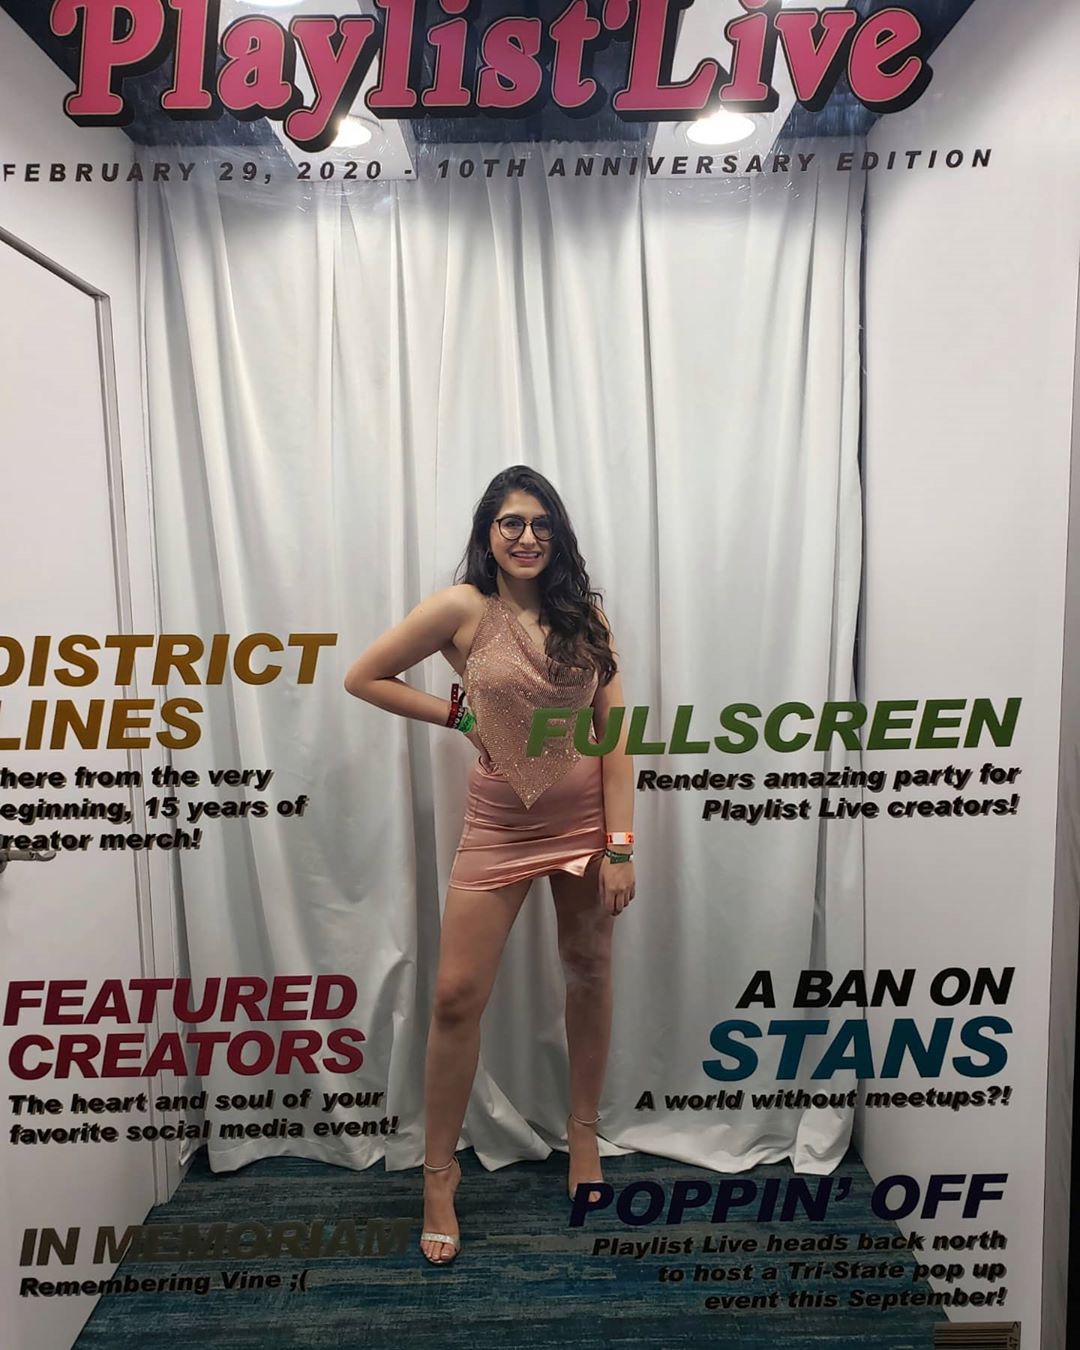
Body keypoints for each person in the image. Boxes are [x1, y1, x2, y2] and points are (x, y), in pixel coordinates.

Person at [344, 465, 635, 1266]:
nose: (527, 536)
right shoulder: (462, 609)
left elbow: (615, 737)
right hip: (500, 827)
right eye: (512, 522)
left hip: (584, 826)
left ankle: (584, 1135)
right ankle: (439, 1176)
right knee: (455, 997)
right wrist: (456, 713)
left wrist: (620, 845)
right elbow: (364, 676)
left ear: (558, 535)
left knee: (588, 973)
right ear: (488, 534)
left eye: (541, 523)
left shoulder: (586, 617)